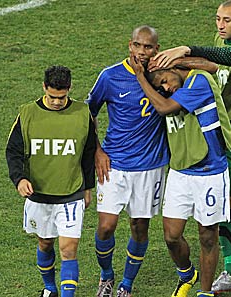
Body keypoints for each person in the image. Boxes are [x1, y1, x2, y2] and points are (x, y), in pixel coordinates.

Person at [151, 0, 231, 289]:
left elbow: (226, 56)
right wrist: (174, 63)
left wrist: (186, 49)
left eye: (227, 20)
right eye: (218, 19)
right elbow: (214, 63)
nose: (221, 25)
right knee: (227, 203)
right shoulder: (222, 40)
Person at [131, 52, 231, 297]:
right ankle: (187, 272)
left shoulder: (199, 83)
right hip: (180, 172)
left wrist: (141, 77)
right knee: (171, 236)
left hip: (210, 172)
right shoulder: (169, 89)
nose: (166, 87)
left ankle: (205, 292)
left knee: (207, 235)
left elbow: (166, 108)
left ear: (171, 68)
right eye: (161, 87)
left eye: (165, 80)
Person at [85, 25, 170, 297]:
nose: (142, 52)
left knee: (139, 227)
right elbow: (88, 113)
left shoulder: (164, 74)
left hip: (151, 167)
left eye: (148, 47)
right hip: (115, 165)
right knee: (106, 226)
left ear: (157, 49)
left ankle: (126, 286)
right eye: (138, 45)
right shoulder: (110, 76)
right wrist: (97, 150)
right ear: (129, 46)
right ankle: (107, 277)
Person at [6, 65, 96, 297]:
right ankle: (50, 288)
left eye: (62, 97)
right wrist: (19, 179)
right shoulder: (27, 114)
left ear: (70, 89)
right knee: (45, 243)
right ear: (44, 87)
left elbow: (88, 152)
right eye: (52, 97)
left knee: (68, 249)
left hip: (71, 193)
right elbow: (13, 152)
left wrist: (88, 187)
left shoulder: (81, 113)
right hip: (39, 194)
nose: (57, 102)